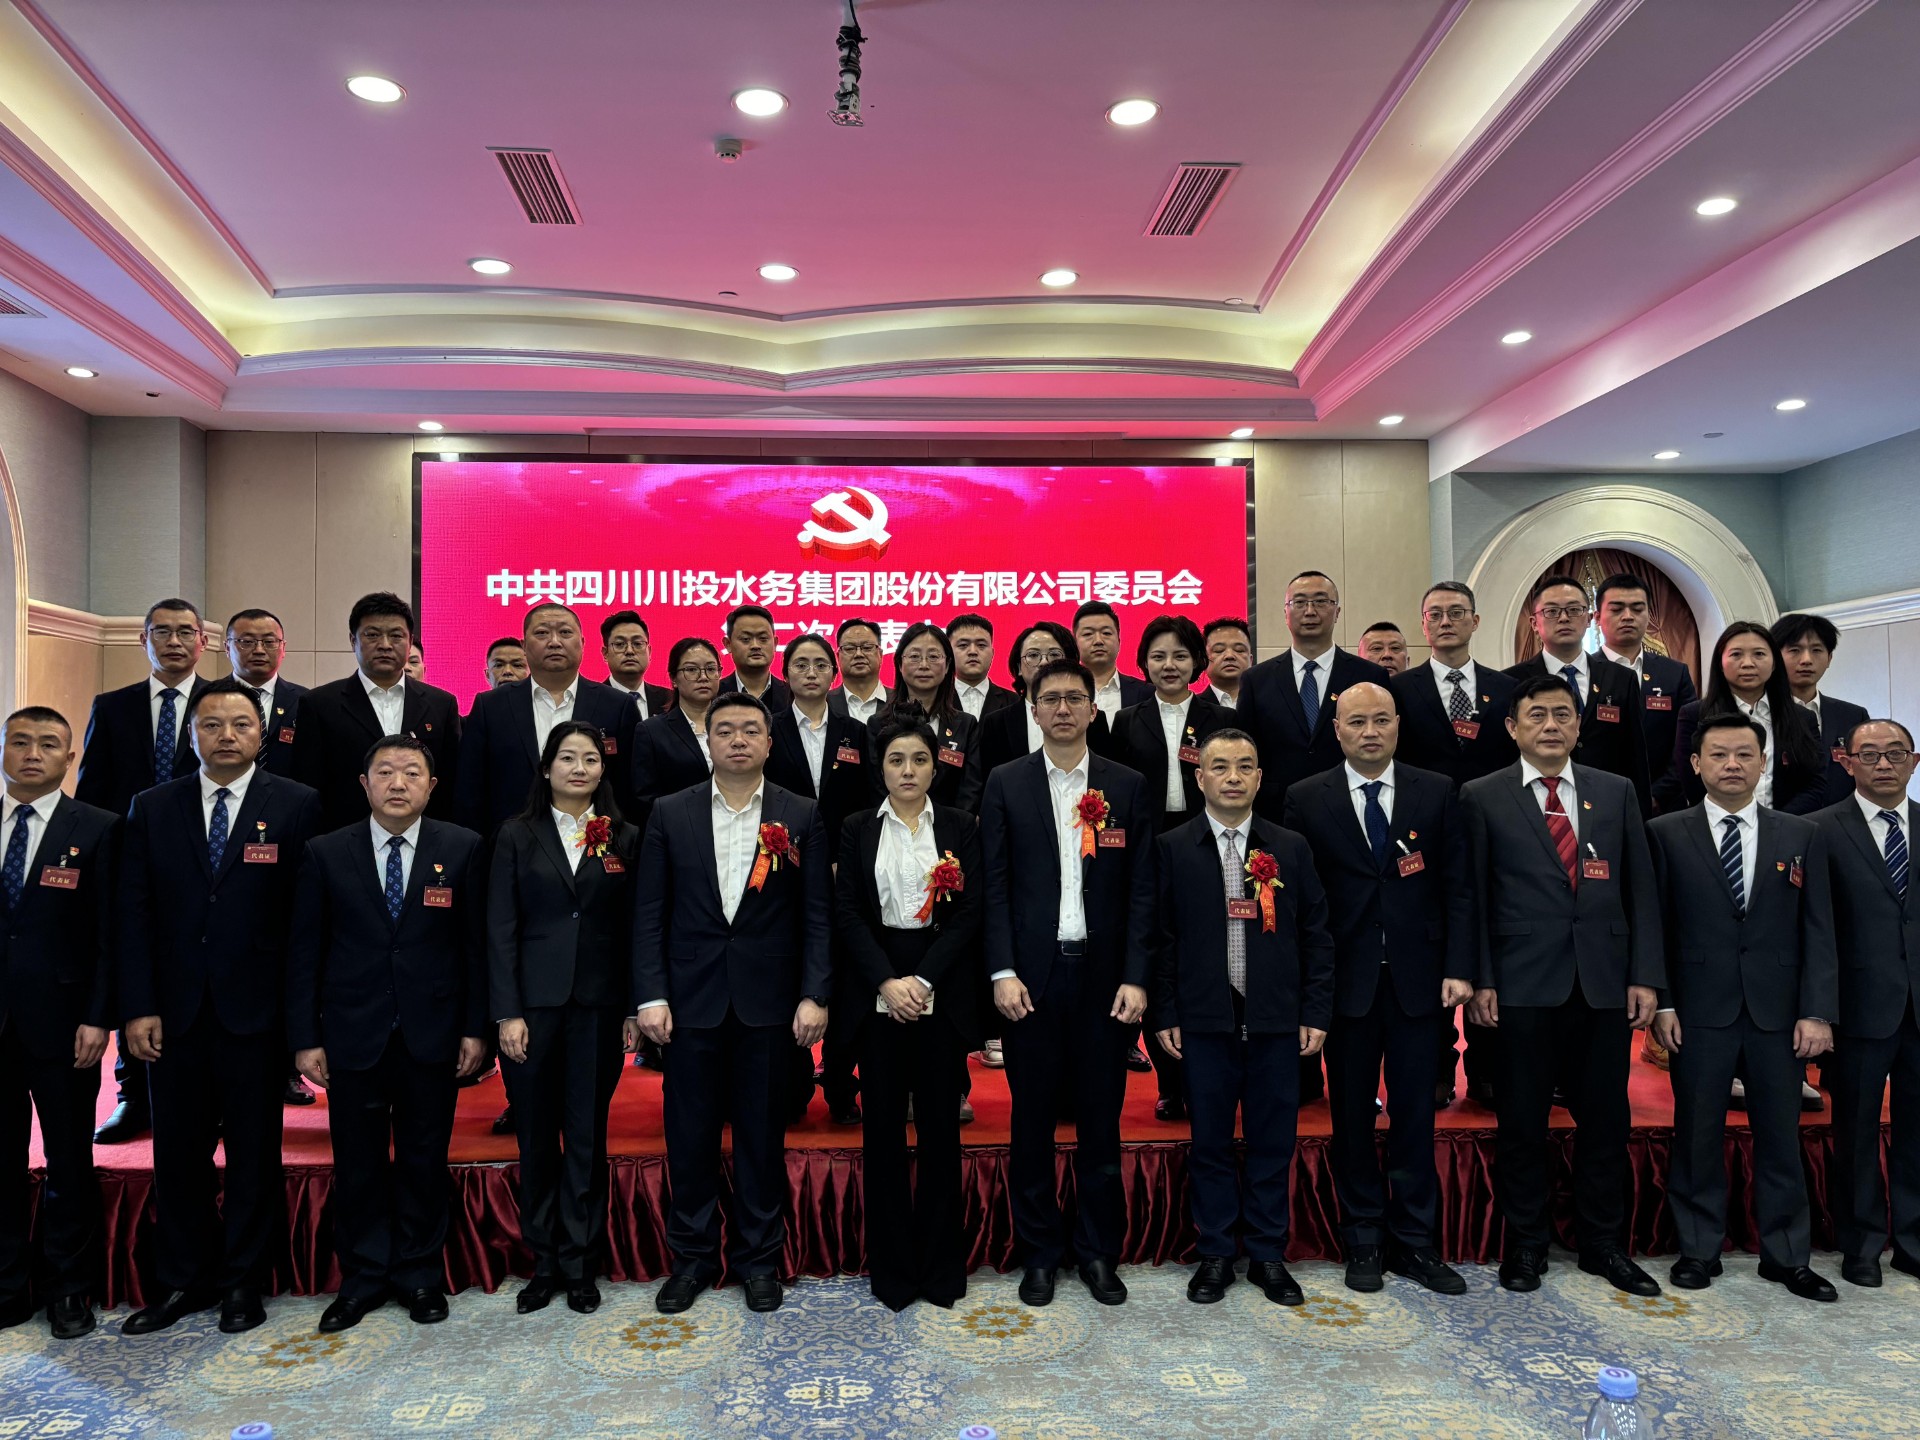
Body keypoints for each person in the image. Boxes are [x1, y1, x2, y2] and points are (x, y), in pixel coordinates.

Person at [118, 679, 322, 1335]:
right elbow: (134, 915)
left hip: (256, 1013)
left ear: (262, 734)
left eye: (240, 724)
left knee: (254, 1154)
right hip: (173, 1014)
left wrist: (300, 1023)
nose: (226, 735)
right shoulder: (153, 805)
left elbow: (305, 925)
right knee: (177, 1154)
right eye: (211, 725)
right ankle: (184, 1280)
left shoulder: (297, 804)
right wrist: (138, 1006)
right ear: (191, 734)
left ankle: (243, 1282)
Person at [1463, 673, 1665, 1297]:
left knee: (1605, 1120)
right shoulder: (1482, 795)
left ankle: (1603, 1243)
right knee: (1522, 1122)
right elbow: (1472, 897)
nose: (1551, 725)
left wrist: (1645, 976)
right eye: (1537, 715)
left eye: (1562, 714)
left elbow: (1641, 890)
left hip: (1602, 984)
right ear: (1512, 728)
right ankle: (1526, 1243)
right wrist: (1481, 979)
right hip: (1519, 986)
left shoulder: (1615, 790)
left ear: (1579, 725)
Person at [634, 692, 830, 1315]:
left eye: (750, 730)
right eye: (725, 731)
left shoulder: (800, 813)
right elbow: (649, 913)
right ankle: (691, 1259)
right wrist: (651, 995)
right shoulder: (670, 811)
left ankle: (758, 1259)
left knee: (761, 1137)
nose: (738, 739)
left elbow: (816, 915)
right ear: (708, 742)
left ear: (770, 743)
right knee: (688, 1136)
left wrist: (815, 993)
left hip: (768, 1003)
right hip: (689, 1003)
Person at [288, 735, 487, 1331]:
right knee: (358, 1162)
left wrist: (474, 1028)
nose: (398, 783)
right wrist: (305, 1036)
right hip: (352, 1032)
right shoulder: (326, 852)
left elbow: (476, 949)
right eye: (385, 772)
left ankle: (420, 1274)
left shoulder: (462, 847)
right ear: (364, 783)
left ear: (432, 785)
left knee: (425, 1158)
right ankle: (363, 1277)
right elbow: (305, 951)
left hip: (433, 1031)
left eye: (412, 773)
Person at [1282, 684, 1472, 1295]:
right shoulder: (1306, 797)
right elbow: (1300, 905)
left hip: (1420, 980)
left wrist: (1460, 966)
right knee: (1351, 1116)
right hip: (1346, 983)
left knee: (1416, 1112)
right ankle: (1362, 1235)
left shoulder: (1436, 791)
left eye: (1381, 720)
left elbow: (1458, 887)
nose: (1370, 731)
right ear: (1337, 730)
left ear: (1398, 726)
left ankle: (1415, 1240)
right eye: (1357, 721)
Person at [983, 659, 1154, 1308]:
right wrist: (1002, 971)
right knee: (1031, 1123)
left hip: (1105, 982)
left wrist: (1137, 977)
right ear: (1032, 710)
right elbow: (994, 885)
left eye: (1073, 698)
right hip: (1030, 981)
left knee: (1100, 1123)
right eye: (1049, 698)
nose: (1061, 708)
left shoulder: (1127, 786)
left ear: (1092, 709)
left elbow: (1142, 891)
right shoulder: (1007, 782)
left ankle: (1098, 1251)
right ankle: (1039, 1253)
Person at [1650, 714, 1837, 1301]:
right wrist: (1663, 1004)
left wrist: (1817, 1011)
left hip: (1779, 1015)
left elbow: (1819, 929)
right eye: (1718, 754)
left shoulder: (1800, 834)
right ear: (1696, 764)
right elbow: (1656, 928)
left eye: (1744, 755)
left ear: (1763, 763)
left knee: (1781, 1137)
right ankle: (1698, 1249)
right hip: (1697, 1011)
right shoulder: (1665, 833)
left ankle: (1787, 1256)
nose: (1732, 764)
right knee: (1696, 1134)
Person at [1152, 728, 1331, 1306]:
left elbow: (1316, 934)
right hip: (1203, 1018)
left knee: (1272, 1141)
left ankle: (1268, 1253)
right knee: (1208, 1141)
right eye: (1220, 766)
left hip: (1276, 1017)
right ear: (1199, 777)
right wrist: (1165, 1011)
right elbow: (1161, 938)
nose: (1233, 777)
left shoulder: (1290, 847)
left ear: (1259, 778)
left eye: (1245, 766)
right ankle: (1215, 1253)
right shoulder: (1173, 847)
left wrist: (1314, 1010)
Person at [834, 705, 983, 1309]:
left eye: (920, 759)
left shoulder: (960, 826)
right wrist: (886, 983)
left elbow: (970, 912)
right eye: (896, 759)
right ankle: (893, 1269)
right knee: (883, 1133)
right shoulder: (856, 827)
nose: (908, 770)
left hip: (939, 981)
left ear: (935, 767)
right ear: (881, 767)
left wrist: (922, 979)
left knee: (942, 1132)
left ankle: (942, 1267)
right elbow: (847, 911)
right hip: (878, 983)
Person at [488, 723, 639, 1315]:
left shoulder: (624, 836)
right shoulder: (515, 834)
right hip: (532, 1010)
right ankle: (543, 1262)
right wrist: (507, 1012)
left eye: (591, 759)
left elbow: (634, 928)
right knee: (535, 1136)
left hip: (599, 1008)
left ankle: (581, 1263)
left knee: (586, 1135)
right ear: (547, 767)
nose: (580, 768)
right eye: (568, 758)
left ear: (603, 770)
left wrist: (632, 1006)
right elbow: (500, 929)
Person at [0, 707, 118, 1339]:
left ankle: (69, 1288)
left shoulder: (97, 828)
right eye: (20, 742)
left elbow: (110, 936)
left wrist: (99, 1017)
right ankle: (7, 1285)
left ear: (70, 758)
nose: (32, 754)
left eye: (48, 744)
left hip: (67, 1024)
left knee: (68, 1159)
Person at [75, 597, 208, 1143]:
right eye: (162, 632)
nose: (174, 642)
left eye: (185, 632)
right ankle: (133, 1095)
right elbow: (92, 790)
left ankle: (210, 1099)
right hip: (129, 859)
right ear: (143, 639)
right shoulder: (113, 707)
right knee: (133, 966)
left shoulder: (224, 703)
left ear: (203, 641)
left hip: (204, 861)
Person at [1389, 580, 1516, 1107]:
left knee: (1490, 944)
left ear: (1475, 621)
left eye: (1456, 612)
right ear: (1423, 623)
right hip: (1423, 836)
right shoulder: (1399, 689)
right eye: (1435, 613)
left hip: (1496, 832)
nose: (1446, 621)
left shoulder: (1506, 688)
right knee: (1431, 946)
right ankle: (1438, 1066)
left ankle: (1488, 1066)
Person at [1814, 720, 1920, 1288]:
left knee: (1917, 1131)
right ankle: (1860, 1245)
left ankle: (1913, 1241)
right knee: (1854, 1131)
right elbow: (1816, 930)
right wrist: (1819, 1010)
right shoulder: (1818, 830)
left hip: (1919, 1009)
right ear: (1846, 761)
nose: (1884, 764)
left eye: (1895, 753)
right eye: (1870, 754)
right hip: (1856, 1008)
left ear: (1914, 761)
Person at [1110, 614, 1229, 1119]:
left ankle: (1208, 1075)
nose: (1169, 665)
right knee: (1156, 954)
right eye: (1158, 656)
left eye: (1180, 655)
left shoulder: (1219, 717)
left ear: (1197, 661)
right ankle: (1170, 1082)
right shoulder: (1126, 720)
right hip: (1148, 847)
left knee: (1203, 954)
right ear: (1143, 663)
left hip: (1205, 844)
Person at [765, 633, 878, 1124]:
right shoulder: (768, 727)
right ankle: (791, 1085)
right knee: (791, 974)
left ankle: (840, 1086)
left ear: (834, 674)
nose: (810, 673)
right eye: (800, 664)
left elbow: (870, 801)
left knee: (847, 980)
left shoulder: (856, 731)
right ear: (785, 673)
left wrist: (846, 860)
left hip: (844, 871)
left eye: (819, 664)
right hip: (781, 869)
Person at [457, 602, 640, 839]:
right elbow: (469, 791)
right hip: (509, 847)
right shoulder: (490, 706)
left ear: (582, 643)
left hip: (594, 847)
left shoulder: (618, 705)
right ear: (524, 645)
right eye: (542, 633)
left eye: (565, 632)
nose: (554, 642)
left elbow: (629, 790)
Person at [290, 592, 461, 833]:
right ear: (353, 640)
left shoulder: (441, 704)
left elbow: (451, 782)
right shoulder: (319, 704)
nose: (385, 645)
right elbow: (307, 783)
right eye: (372, 635)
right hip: (342, 837)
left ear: (410, 641)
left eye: (396, 636)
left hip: (425, 838)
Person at [1237, 571, 1390, 818]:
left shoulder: (1370, 675)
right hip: (1277, 809)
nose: (1310, 611)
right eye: (1299, 602)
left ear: (1337, 612)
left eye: (1320, 601)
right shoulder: (1256, 680)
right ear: (1285, 612)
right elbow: (1246, 751)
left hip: (1352, 804)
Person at [1503, 575, 1652, 815]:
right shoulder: (1511, 681)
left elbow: (1635, 755)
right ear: (1534, 623)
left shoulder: (1620, 678)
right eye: (1552, 611)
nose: (1564, 618)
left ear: (1589, 619)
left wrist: (1640, 817)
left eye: (1574, 610)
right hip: (1535, 804)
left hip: (1608, 803)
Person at [1661, 622, 1825, 816]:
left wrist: (1777, 823)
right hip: (1716, 825)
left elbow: (1816, 784)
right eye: (1736, 654)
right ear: (1720, 663)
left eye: (1759, 654)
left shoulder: (1803, 718)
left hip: (1788, 826)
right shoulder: (1694, 715)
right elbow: (1691, 783)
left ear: (1774, 663)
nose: (1748, 663)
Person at [1594, 574, 1697, 811]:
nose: (1628, 616)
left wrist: (1657, 795)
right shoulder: (1585, 674)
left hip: (1666, 805)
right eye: (1617, 609)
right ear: (1597, 617)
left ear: (1649, 615)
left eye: (1637, 609)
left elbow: (1689, 740)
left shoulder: (1674, 673)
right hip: (1601, 802)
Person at [977, 621, 1116, 777]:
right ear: (1019, 668)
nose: (1044, 662)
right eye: (1033, 655)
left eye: (1054, 655)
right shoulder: (997, 723)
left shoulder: (1094, 718)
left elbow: (1106, 775)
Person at [873, 622, 983, 813]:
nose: (924, 665)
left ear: (947, 665)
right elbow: (876, 786)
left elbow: (970, 789)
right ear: (899, 664)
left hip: (951, 826)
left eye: (933, 656)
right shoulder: (878, 723)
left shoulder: (966, 724)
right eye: (914, 656)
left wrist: (949, 824)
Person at [1772, 612, 1869, 812]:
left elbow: (1864, 776)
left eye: (1817, 650)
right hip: (1780, 824)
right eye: (1795, 650)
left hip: (1840, 824)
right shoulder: (1762, 713)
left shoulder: (1853, 716)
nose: (1806, 660)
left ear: (1829, 658)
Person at [630, 637, 724, 827]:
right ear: (673, 678)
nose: (703, 677)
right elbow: (645, 798)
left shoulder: (734, 726)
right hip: (675, 831)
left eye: (710, 669)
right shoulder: (652, 731)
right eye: (691, 670)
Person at [227, 608, 306, 780]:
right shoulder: (208, 700)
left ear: (283, 648)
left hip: (289, 794)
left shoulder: (306, 701)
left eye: (269, 642)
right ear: (227, 648)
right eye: (247, 642)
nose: (259, 650)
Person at [1072, 601, 1153, 722]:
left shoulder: (1148, 693)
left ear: (1119, 641)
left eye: (1106, 633)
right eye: (1088, 634)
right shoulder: (1060, 694)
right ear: (1075, 642)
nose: (1098, 641)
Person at [600, 610, 674, 721]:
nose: (629, 651)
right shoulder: (592, 699)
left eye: (637, 644)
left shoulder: (670, 699)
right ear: (605, 653)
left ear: (649, 651)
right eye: (619, 644)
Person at [716, 605, 791, 712]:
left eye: (763, 638)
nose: (755, 646)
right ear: (728, 644)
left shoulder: (792, 694)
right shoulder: (713, 693)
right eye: (746, 639)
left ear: (775, 643)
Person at [948, 612, 1019, 719]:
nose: (973, 651)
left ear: (992, 653)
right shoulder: (936, 701)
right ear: (948, 652)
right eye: (963, 645)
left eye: (981, 645)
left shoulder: (1015, 702)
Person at [826, 618, 888, 725]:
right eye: (849, 648)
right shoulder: (823, 703)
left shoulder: (901, 701)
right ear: (838, 656)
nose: (859, 654)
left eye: (867, 647)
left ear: (880, 655)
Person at [1202, 617, 1252, 709]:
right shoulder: (1191, 708)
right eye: (1219, 650)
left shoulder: (1269, 704)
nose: (1229, 655)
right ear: (1204, 661)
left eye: (1239, 650)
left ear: (1251, 660)